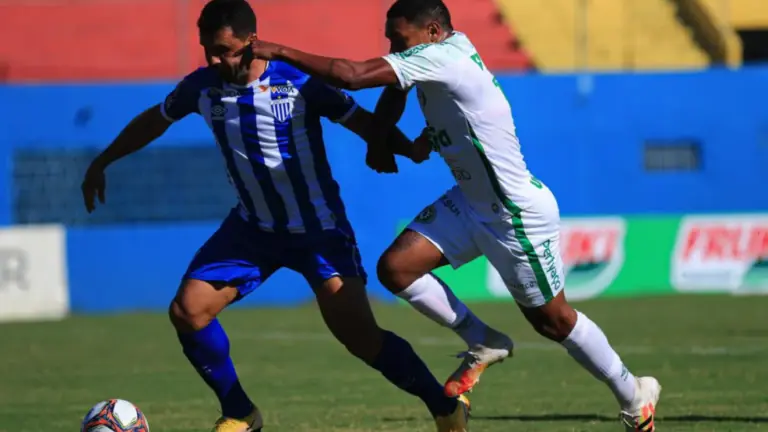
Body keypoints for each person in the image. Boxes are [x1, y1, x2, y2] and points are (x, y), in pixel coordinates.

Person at [245, 0, 662, 430]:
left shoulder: (446, 57)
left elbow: (351, 75)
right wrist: (380, 140)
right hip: (470, 201)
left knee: (553, 322)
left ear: (431, 32)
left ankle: (634, 393)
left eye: (398, 39)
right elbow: (394, 92)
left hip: (512, 213)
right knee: (396, 268)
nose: (392, 46)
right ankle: (482, 339)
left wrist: (279, 51)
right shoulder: (429, 56)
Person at [80, 1, 470, 431]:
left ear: (252, 42)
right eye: (207, 49)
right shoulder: (201, 87)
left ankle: (444, 406)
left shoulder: (299, 81)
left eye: (224, 50)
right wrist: (103, 161)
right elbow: (155, 120)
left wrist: (403, 147)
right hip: (253, 229)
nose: (214, 59)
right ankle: (240, 412)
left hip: (319, 229)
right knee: (189, 310)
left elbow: (360, 121)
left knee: (360, 337)